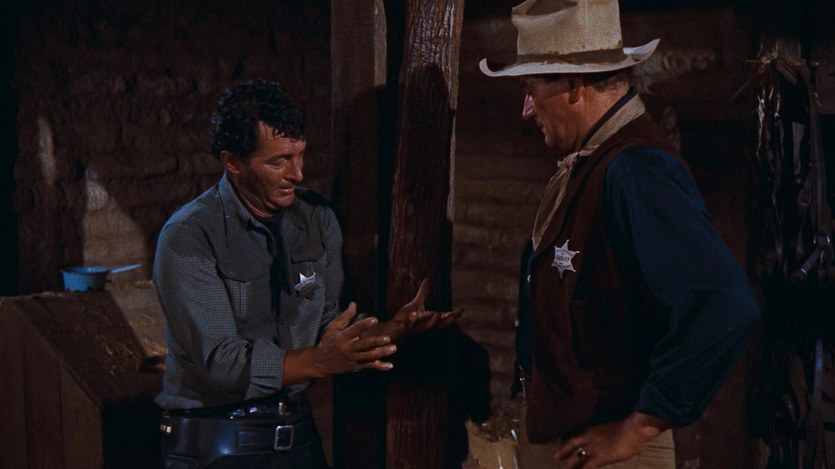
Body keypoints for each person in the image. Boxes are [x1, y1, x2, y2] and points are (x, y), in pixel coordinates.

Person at [479, 1, 760, 468]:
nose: (526, 110)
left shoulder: (636, 169)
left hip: (608, 452)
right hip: (571, 441)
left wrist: (639, 427)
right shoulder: (594, 164)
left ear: (572, 86)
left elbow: (724, 304)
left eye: (531, 90)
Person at [153, 79, 458, 469]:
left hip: (296, 433)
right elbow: (221, 364)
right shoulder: (190, 234)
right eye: (278, 161)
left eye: (300, 155)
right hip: (217, 442)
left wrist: (392, 329)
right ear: (233, 162)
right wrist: (318, 362)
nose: (297, 174)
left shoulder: (316, 218)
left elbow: (329, 324)